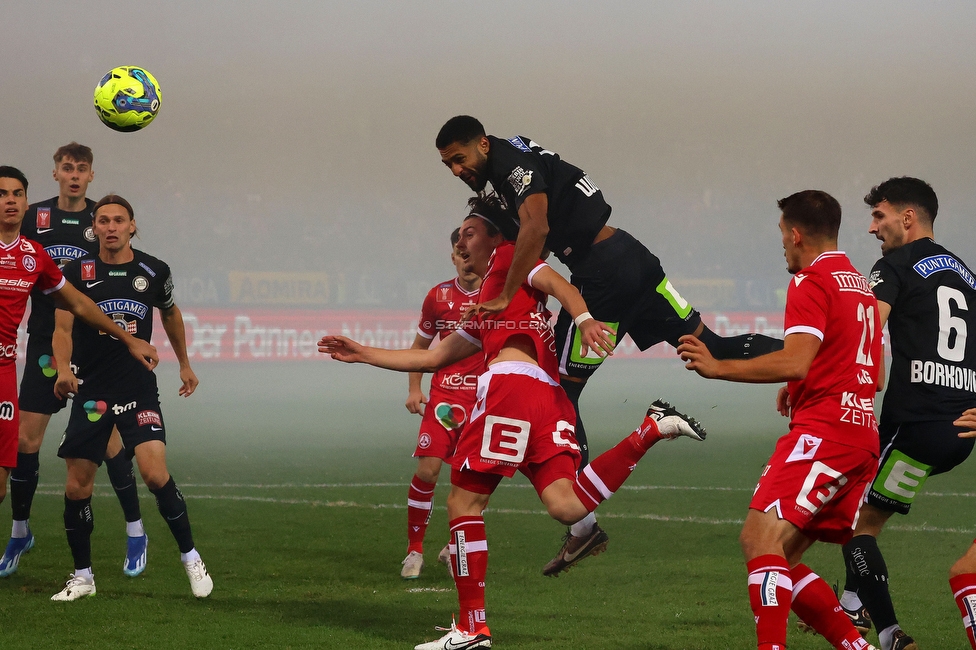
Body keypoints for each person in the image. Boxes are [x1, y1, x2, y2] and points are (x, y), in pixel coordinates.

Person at [320, 197, 707, 650]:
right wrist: (362, 352)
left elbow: (558, 283)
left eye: (469, 232)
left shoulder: (510, 259)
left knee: (464, 505)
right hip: (548, 397)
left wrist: (582, 319)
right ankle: (650, 430)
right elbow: (432, 356)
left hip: (510, 389)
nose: (460, 242)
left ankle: (471, 630)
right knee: (566, 506)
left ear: (494, 237)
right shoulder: (488, 300)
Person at [435, 115, 783, 574]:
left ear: (481, 144)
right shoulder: (507, 163)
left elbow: (535, 229)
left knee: (555, 390)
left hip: (601, 278)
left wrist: (504, 293)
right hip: (632, 258)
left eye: (459, 159)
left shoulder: (513, 166)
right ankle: (815, 359)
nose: (457, 169)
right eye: (448, 165)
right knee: (712, 347)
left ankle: (582, 524)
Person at [678, 190, 882, 650]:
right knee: (781, 559)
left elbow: (795, 361)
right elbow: (876, 373)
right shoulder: (861, 286)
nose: (783, 247)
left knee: (758, 538)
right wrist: (800, 387)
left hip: (824, 433)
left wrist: (718, 367)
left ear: (795, 234)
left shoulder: (810, 280)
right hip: (861, 433)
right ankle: (858, 647)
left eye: (781, 236)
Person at [831, 178, 976, 650]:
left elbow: (866, 329)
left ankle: (889, 632)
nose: (873, 227)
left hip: (916, 423)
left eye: (880, 216)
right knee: (868, 512)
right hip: (958, 433)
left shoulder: (893, 265)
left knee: (854, 527)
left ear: (908, 217)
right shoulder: (966, 274)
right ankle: (853, 603)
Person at [49, 194, 211, 601]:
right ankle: (83, 577)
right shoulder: (74, 271)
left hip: (138, 386)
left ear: (132, 226)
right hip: (92, 391)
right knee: (75, 487)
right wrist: (64, 368)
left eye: (118, 220)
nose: (111, 227)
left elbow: (171, 314)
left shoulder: (154, 270)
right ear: (94, 227)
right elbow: (63, 328)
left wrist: (185, 363)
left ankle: (191, 557)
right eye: (103, 220)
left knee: (155, 474)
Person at [0, 167, 158, 583]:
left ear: (90, 174)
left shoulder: (96, 224)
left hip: (92, 355)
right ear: (55, 173)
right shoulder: (35, 219)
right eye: (65, 168)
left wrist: (129, 340)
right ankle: (19, 532)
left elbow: (83, 305)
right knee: (26, 440)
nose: (11, 201)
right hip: (41, 347)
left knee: (109, 441)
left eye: (79, 169)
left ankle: (135, 529)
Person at [400, 227, 482, 579]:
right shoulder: (439, 296)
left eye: (470, 254)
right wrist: (415, 389)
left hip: (483, 401)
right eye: (459, 255)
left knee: (469, 483)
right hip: (446, 399)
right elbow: (420, 349)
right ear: (452, 257)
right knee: (427, 470)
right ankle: (413, 551)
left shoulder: (499, 295)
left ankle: (453, 548)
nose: (465, 260)